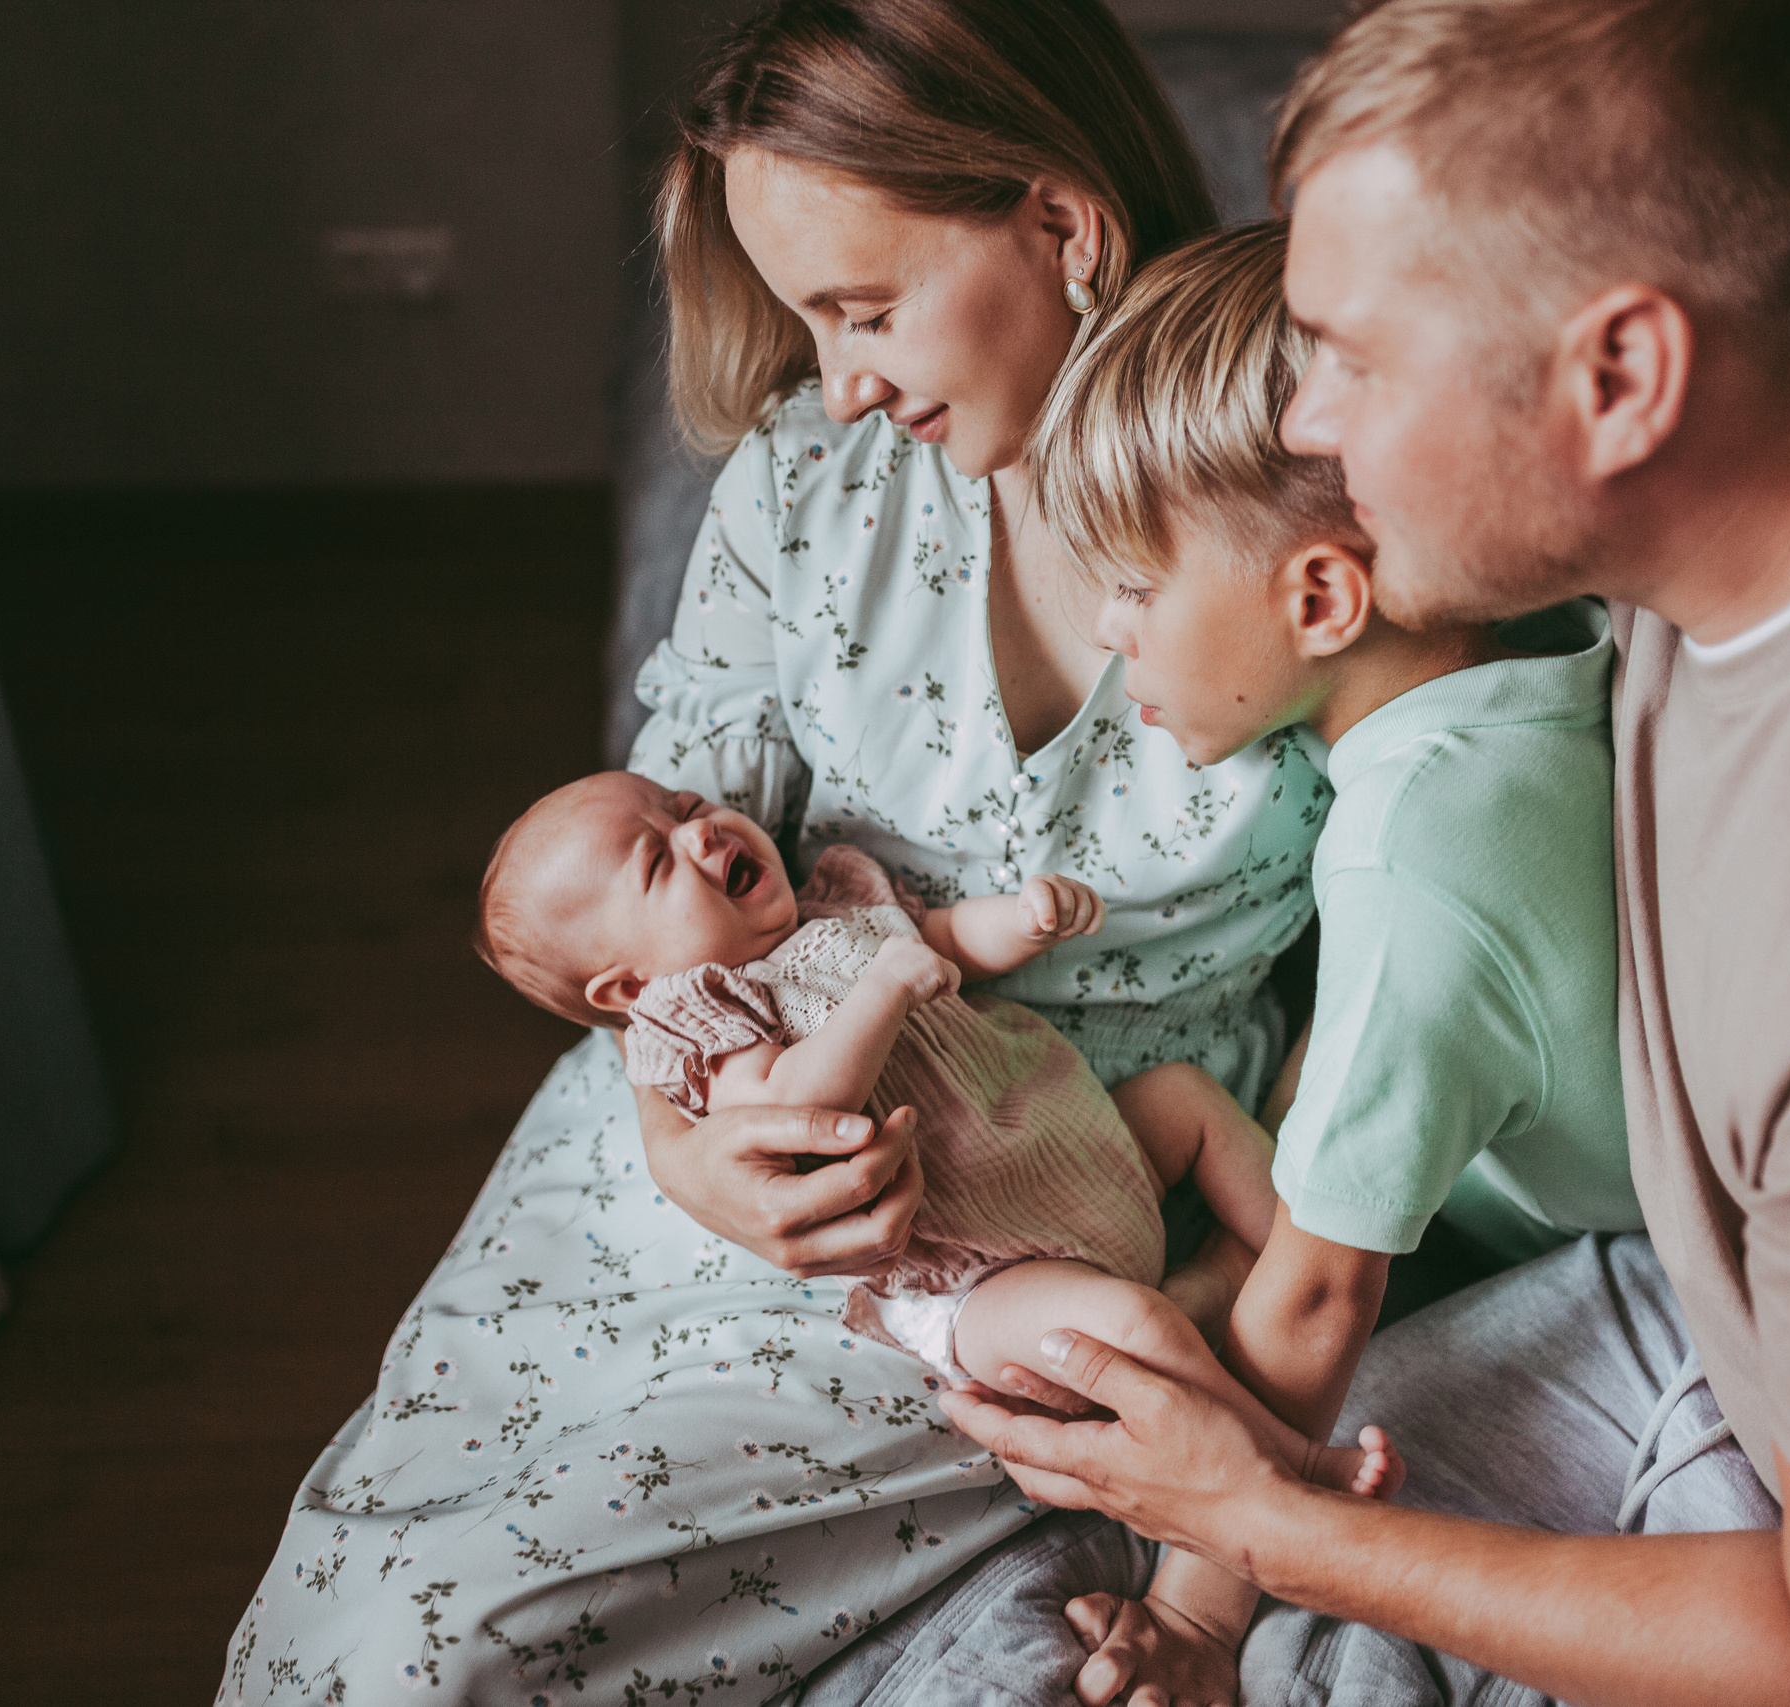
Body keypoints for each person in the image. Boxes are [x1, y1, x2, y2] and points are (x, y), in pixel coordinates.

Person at [944, 3, 1790, 1705]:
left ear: (1622, 377)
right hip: (1739, 1317)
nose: (1306, 426)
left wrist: (1270, 1520)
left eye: (1353, 358)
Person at [218, 3, 1335, 1700]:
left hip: (1006, 1231)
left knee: (442, 1654)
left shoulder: (1309, 517)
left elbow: (1403, 970)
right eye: (810, 322)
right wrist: (685, 1152)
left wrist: (1224, 1278)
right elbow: (652, 872)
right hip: (701, 1131)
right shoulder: (812, 495)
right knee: (363, 1595)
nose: (841, 381)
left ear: (1065, 222)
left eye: (865, 308)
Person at [1005, 218, 1642, 1702]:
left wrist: (1203, 1606)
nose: (1111, 633)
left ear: (1321, 602)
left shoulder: (1409, 856)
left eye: (1138, 587)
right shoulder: (1556, 642)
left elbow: (1321, 1298)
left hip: (1602, 1257)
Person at [473, 771, 1402, 1500]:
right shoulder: (711, 1021)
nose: (701, 830)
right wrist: (882, 990)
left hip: (1075, 1147)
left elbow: (946, 937)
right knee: (1132, 1326)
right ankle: (1282, 1455)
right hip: (984, 1269)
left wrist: (1021, 922)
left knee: (1188, 1101)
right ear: (629, 989)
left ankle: (1300, 1265)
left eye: (683, 805)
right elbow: (796, 1105)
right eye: (657, 861)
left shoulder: (835, 900)